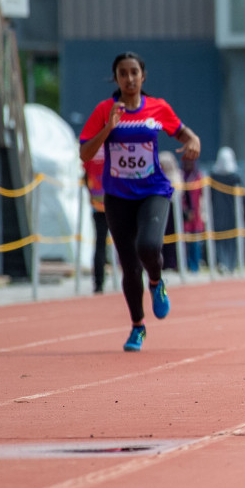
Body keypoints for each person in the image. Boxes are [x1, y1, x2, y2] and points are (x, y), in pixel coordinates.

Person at [78, 52, 201, 352]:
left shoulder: (157, 107)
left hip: (153, 191)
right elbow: (84, 153)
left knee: (148, 247)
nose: (129, 78)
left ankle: (157, 282)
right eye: (123, 73)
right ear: (116, 78)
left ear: (143, 76)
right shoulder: (104, 109)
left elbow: (184, 133)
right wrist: (108, 127)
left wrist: (193, 141)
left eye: (134, 72)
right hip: (118, 197)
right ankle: (137, 327)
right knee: (129, 267)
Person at [209, 146, 243, 273]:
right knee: (221, 238)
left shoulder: (233, 177)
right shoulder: (232, 177)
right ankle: (225, 263)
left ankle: (228, 263)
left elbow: (242, 197)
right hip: (225, 213)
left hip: (225, 212)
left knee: (228, 238)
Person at [84, 146, 108, 294]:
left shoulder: (91, 147)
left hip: (97, 203)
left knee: (100, 244)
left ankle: (98, 284)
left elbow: (85, 174)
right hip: (116, 201)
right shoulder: (115, 144)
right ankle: (136, 278)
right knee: (126, 242)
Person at [179, 153, 208, 272]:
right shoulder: (181, 176)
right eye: (186, 162)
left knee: (195, 240)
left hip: (196, 214)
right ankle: (185, 265)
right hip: (183, 215)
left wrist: (203, 212)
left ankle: (195, 265)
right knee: (183, 240)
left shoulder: (198, 176)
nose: (188, 164)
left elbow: (203, 196)